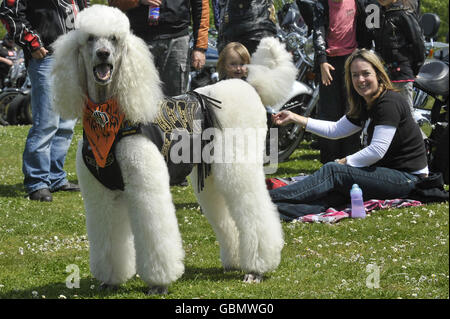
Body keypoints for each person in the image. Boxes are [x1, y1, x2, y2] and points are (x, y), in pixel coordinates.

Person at [269, 49, 429, 219]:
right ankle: (269, 212)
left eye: (366, 73)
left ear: (378, 74)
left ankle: (264, 200)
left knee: (333, 171)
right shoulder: (366, 103)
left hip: (408, 179)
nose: (360, 80)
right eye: (355, 75)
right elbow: (335, 130)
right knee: (332, 197)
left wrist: (345, 162)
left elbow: (377, 150)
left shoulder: (388, 102)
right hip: (386, 174)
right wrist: (295, 118)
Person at [0, 0, 88, 202]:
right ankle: (37, 182)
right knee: (47, 122)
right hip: (46, 56)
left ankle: (55, 177)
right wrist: (32, 43)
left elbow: (83, 10)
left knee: (66, 122)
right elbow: (7, 10)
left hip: (74, 56)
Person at [109, 0, 209, 97]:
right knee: (138, 98)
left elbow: (201, 7)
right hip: (139, 41)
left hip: (177, 41)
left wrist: (200, 47)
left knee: (176, 100)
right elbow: (113, 2)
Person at [312, 0, 372, 164]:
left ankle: (350, 159)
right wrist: (322, 61)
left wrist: (363, 55)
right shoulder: (322, 4)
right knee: (329, 113)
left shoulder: (357, 3)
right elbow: (317, 32)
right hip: (329, 63)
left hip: (351, 60)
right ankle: (329, 161)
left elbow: (365, 29)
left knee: (352, 111)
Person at [373, 0, 425, 115]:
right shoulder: (380, 14)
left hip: (401, 73)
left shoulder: (404, 13)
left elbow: (417, 43)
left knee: (406, 115)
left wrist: (416, 68)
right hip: (384, 73)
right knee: (386, 114)